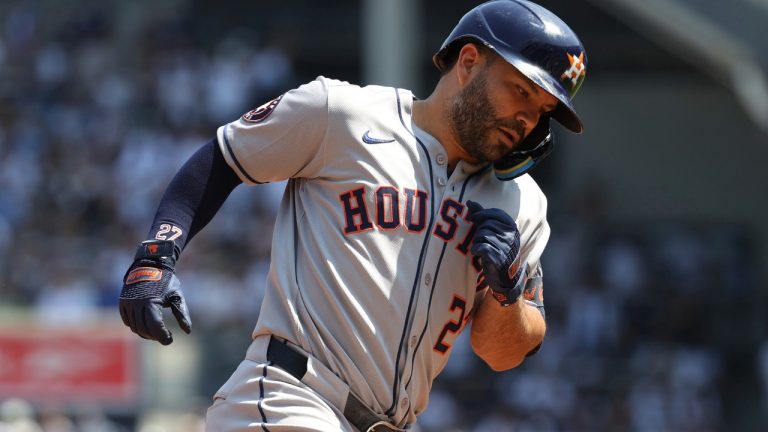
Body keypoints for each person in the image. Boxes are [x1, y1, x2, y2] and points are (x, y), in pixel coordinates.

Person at [118, 1, 587, 430]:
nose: (528, 118)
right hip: (291, 398)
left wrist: (507, 293)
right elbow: (223, 159)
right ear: (467, 64)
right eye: (521, 91)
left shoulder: (521, 204)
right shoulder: (342, 114)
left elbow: (502, 352)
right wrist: (156, 256)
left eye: (543, 109)